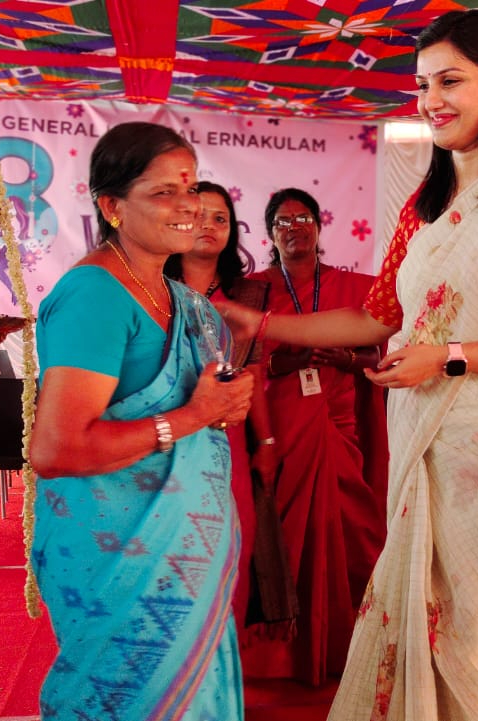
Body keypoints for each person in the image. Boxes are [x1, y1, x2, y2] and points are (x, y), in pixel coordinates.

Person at [218, 10, 478, 721]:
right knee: (426, 618)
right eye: (421, 85)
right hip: (430, 451)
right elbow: (377, 315)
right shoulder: (427, 208)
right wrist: (261, 322)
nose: (431, 101)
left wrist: (449, 358)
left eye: (450, 81)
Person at [28, 122, 254, 721]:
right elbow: (57, 449)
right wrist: (194, 415)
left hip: (182, 558)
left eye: (192, 187)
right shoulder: (97, 295)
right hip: (118, 557)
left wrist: (224, 406)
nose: (189, 206)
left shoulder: (181, 299)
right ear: (111, 206)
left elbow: (207, 414)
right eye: (162, 193)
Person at [238, 186, 388, 685]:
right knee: (280, 533)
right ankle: (281, 657)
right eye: (283, 221)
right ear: (269, 233)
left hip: (339, 425)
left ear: (319, 228)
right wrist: (286, 360)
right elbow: (241, 363)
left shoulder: (358, 288)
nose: (294, 228)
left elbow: (380, 356)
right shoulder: (251, 293)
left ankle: (353, 648)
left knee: (356, 532)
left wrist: (346, 358)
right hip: (278, 429)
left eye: (303, 219)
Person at [165, 180, 278, 631]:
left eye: (221, 218)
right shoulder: (151, 289)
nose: (208, 225)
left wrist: (266, 440)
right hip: (169, 436)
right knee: (176, 551)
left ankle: (223, 665)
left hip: (228, 439)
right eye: (197, 214)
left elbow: (258, 373)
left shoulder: (248, 298)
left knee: (233, 542)